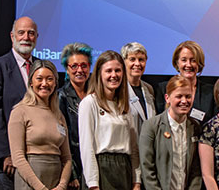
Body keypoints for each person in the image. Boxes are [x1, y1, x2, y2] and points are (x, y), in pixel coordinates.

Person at [0, 16, 40, 189]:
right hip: (10, 161)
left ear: (37, 36)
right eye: (21, 33)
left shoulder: (42, 66)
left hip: (39, 157)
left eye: (31, 33)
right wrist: (6, 153)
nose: (26, 37)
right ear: (12, 36)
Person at [78, 50, 140, 190]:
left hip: (124, 170)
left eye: (118, 70)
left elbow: (134, 148)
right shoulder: (89, 103)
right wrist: (93, 184)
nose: (114, 75)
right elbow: (86, 147)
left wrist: (137, 181)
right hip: (102, 170)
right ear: (100, 74)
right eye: (109, 71)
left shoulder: (125, 106)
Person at [8, 60, 72, 190]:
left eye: (49, 79)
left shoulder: (59, 115)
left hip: (55, 179)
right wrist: (41, 188)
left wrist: (62, 186)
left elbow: (67, 158)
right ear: (31, 82)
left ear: (55, 83)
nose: (45, 83)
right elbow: (18, 158)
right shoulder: (20, 111)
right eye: (39, 79)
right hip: (30, 181)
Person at [139, 75, 202, 190]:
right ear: (167, 98)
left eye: (188, 96)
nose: (184, 101)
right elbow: (147, 169)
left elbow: (196, 170)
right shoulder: (151, 126)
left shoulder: (195, 127)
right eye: (179, 96)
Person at [58, 42, 93, 189]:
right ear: (67, 68)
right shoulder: (61, 97)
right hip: (75, 165)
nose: (80, 70)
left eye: (84, 65)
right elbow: (62, 138)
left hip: (94, 163)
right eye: (74, 66)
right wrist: (71, 173)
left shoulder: (96, 94)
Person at [155, 41, 217, 124]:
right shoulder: (163, 89)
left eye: (193, 60)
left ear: (199, 64)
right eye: (184, 60)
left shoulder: (211, 92)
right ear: (177, 63)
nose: (188, 65)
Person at [121, 42, 156, 136]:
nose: (137, 64)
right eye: (132, 59)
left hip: (148, 147)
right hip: (128, 147)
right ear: (123, 62)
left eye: (141, 60)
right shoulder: (118, 89)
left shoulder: (149, 89)